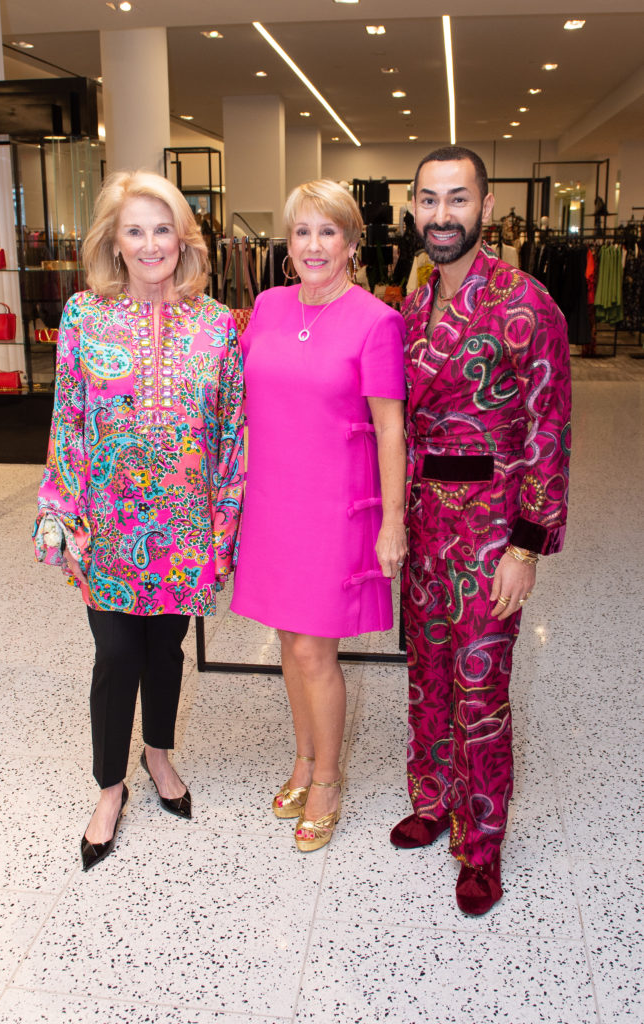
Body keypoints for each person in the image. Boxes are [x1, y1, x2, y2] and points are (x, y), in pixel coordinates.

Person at [33, 170, 244, 871]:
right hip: (108, 529)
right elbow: (68, 420)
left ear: (183, 237)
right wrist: (60, 512)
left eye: (162, 229)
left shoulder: (217, 324)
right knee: (117, 652)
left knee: (166, 650)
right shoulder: (83, 316)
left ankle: (158, 753)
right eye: (135, 230)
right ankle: (109, 786)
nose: (151, 244)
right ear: (114, 241)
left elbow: (232, 434)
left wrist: (225, 528)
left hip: (186, 529)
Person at [393, 146, 571, 914]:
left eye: (457, 198)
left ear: (486, 207)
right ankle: (435, 797)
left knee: (480, 687)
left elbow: (549, 430)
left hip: (494, 530)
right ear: (413, 209)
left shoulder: (528, 304)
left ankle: (484, 841)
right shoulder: (411, 306)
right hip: (423, 525)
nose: (442, 215)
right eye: (429, 199)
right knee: (428, 672)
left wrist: (526, 548)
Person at [231, 179, 406, 852]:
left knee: (313, 649)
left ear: (352, 243)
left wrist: (393, 521)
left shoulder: (375, 320)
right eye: (301, 231)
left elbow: (391, 429)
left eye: (327, 231)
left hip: (334, 506)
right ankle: (304, 759)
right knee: (287, 640)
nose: (313, 245)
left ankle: (328, 779)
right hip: (272, 499)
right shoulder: (268, 306)